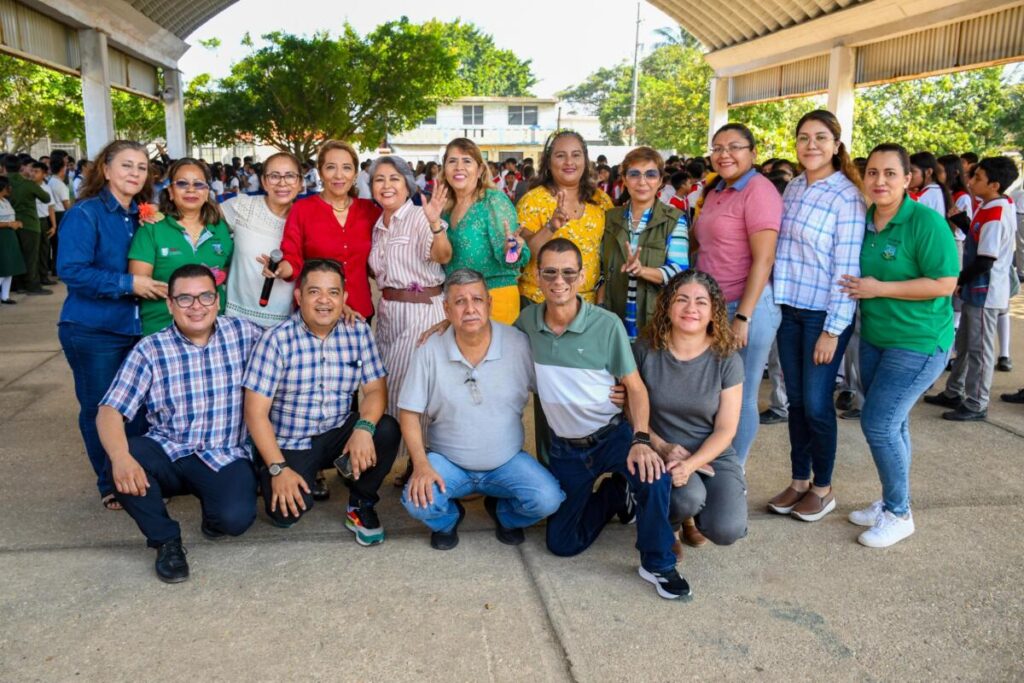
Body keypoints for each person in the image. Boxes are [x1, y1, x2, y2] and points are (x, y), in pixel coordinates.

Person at [516, 238, 688, 600]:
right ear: (537, 276)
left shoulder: (606, 324)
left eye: (567, 273)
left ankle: (657, 562)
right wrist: (444, 328)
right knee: (561, 544)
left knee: (653, 475)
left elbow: (636, 388)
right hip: (567, 448)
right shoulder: (527, 322)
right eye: (549, 272)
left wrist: (641, 441)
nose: (558, 281)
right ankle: (613, 496)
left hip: (612, 436)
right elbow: (490, 341)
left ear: (581, 277)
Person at [97, 264, 261, 582]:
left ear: (218, 300)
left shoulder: (245, 333)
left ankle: (214, 514)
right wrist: (120, 459)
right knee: (121, 459)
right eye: (185, 299)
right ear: (170, 304)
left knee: (235, 521)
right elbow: (109, 411)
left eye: (205, 297)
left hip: (223, 453)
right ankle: (166, 540)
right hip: (168, 450)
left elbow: (291, 346)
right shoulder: (150, 349)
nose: (196, 306)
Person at [838, 143, 958, 548]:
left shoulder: (926, 222)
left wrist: (879, 288)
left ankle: (900, 513)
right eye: (872, 172)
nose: (880, 181)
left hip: (920, 341)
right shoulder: (865, 219)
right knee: (895, 422)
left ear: (908, 179)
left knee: (878, 423)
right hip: (875, 339)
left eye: (890, 173)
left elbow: (944, 283)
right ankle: (893, 499)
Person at [400, 268, 564, 549]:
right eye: (460, 302)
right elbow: (409, 413)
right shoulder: (429, 349)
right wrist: (422, 465)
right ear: (447, 309)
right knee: (417, 502)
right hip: (448, 462)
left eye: (476, 299)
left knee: (548, 499)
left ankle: (505, 515)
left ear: (489, 303)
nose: (470, 308)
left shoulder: (518, 343)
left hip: (507, 462)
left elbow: (552, 389)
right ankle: (449, 519)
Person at [243, 259, 400, 544]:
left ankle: (360, 503)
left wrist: (364, 428)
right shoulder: (276, 340)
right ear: (298, 296)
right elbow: (255, 413)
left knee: (386, 429)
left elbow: (376, 389)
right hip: (291, 441)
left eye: (333, 292)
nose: (324, 301)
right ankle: (266, 470)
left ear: (345, 298)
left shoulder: (357, 330)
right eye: (314, 292)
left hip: (337, 430)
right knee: (286, 516)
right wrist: (278, 469)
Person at [767, 110, 866, 522]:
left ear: (836, 144)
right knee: (795, 403)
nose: (811, 145)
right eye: (804, 137)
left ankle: (823, 489)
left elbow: (847, 270)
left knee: (817, 405)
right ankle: (799, 481)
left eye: (821, 138)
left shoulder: (847, 196)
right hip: (789, 311)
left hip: (823, 316)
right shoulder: (792, 187)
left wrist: (832, 330)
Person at [57, 140, 167, 510]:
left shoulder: (143, 215)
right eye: (126, 165)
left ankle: (135, 471)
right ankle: (110, 481)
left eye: (141, 167)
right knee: (102, 407)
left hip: (137, 329)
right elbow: (71, 270)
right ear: (105, 169)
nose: (135, 173)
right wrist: (128, 284)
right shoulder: (86, 214)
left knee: (138, 409)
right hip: (93, 330)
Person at [634, 270, 746, 571]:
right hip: (663, 452)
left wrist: (692, 464)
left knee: (727, 529)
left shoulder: (727, 358)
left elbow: (726, 429)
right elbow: (630, 409)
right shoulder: (645, 350)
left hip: (711, 453)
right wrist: (660, 445)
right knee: (687, 498)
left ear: (713, 312)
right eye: (682, 299)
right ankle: (670, 524)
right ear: (668, 306)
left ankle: (693, 516)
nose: (690, 309)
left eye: (701, 302)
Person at [692, 123, 783, 467]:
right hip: (713, 306)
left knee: (740, 395)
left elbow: (764, 259)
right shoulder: (717, 190)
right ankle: (717, 462)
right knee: (719, 393)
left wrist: (742, 316)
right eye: (717, 148)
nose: (724, 154)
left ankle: (734, 473)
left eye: (734, 147)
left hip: (746, 307)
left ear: (753, 152)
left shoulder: (758, 191)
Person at [368, 155, 452, 482]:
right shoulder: (378, 226)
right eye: (379, 179)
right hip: (389, 316)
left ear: (407, 184)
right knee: (389, 386)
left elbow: (442, 255)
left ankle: (423, 464)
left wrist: (435, 224)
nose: (386, 185)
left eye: (394, 179)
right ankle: (411, 461)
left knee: (411, 390)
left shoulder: (420, 216)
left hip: (421, 313)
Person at [924, 156, 1019, 421]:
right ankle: (954, 391)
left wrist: (960, 279)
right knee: (965, 344)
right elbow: (981, 242)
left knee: (979, 350)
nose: (970, 181)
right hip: (977, 290)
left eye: (977, 178)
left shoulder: (995, 212)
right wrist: (966, 223)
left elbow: (986, 259)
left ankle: (977, 402)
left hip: (985, 292)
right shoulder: (992, 204)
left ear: (995, 184)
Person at [272, 141, 381, 321]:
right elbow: (291, 256)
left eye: (346, 168)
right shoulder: (302, 209)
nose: (339, 175)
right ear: (320, 172)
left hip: (359, 311)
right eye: (331, 167)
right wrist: (278, 269)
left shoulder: (370, 211)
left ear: (355, 173)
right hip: (317, 310)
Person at [128, 158, 233, 336]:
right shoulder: (152, 228)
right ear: (170, 191)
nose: (191, 189)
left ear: (207, 192)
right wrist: (188, 295)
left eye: (198, 184)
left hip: (213, 330)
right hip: (162, 330)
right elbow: (140, 284)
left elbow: (224, 273)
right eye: (182, 183)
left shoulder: (220, 228)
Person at [600, 146, 690, 342]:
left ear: (660, 181)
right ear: (624, 179)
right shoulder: (609, 218)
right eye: (634, 174)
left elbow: (680, 272)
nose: (642, 182)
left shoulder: (674, 220)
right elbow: (599, 269)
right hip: (612, 319)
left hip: (653, 320)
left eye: (650, 174)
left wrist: (642, 271)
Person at [438, 138, 529, 325]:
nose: (458, 167)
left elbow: (514, 258)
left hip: (494, 299)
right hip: (460, 303)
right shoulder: (445, 208)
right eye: (452, 161)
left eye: (467, 161)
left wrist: (511, 250)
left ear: (480, 170)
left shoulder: (492, 201)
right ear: (444, 169)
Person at [518, 130, 613, 307]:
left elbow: (608, 257)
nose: (569, 162)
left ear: (585, 160)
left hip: (587, 307)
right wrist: (551, 227)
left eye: (576, 155)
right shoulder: (532, 201)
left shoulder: (601, 201)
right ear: (548, 162)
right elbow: (524, 256)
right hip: (539, 303)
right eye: (560, 156)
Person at [223, 152, 303, 328]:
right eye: (274, 176)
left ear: (300, 183)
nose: (282, 182)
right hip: (236, 322)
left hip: (286, 325)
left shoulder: (307, 219)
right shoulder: (242, 206)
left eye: (290, 176)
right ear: (264, 182)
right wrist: (153, 212)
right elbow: (200, 216)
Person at [5, 155, 51, 295]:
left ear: (4, 168)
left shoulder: (4, 184)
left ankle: (16, 286)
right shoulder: (27, 184)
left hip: (8, 225)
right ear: (20, 167)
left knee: (14, 256)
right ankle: (32, 285)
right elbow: (46, 198)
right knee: (31, 257)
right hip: (30, 224)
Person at [0, 176, 26, 304]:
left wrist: (16, 223)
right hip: (2, 236)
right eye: (7, 186)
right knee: (3, 267)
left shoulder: (5, 201)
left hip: (10, 236)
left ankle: (5, 296)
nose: (10, 188)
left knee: (10, 267)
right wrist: (9, 224)